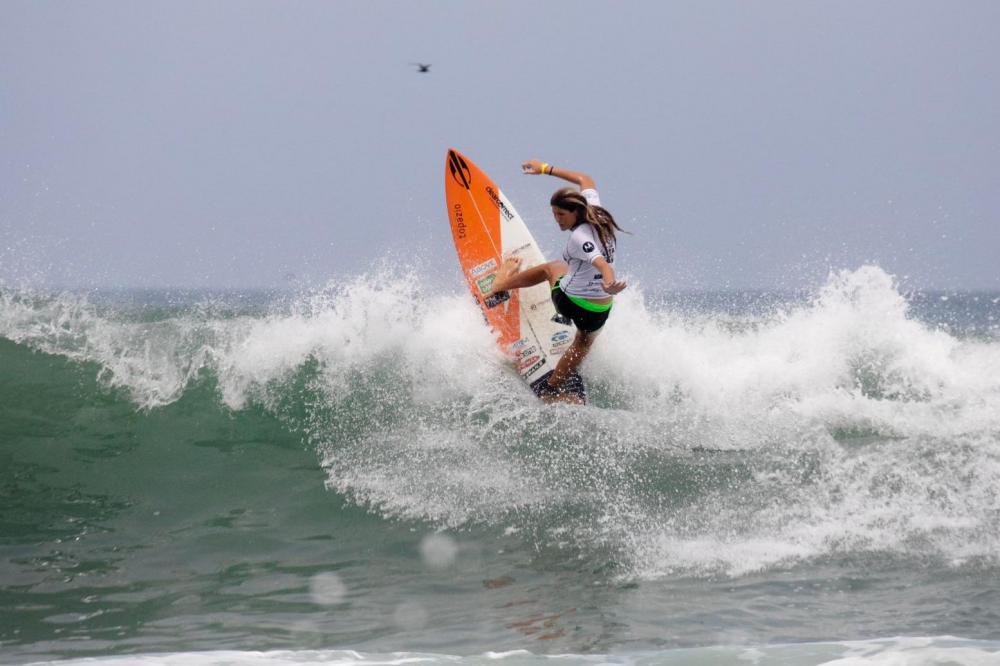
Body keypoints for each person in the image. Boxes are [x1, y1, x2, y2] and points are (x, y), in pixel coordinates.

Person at [488, 159, 626, 404]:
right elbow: (585, 179)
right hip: (601, 309)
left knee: (553, 267)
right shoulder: (596, 212)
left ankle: (500, 284)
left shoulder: (580, 237)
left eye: (561, 214)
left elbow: (601, 264)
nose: (557, 220)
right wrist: (545, 169)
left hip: (571, 303)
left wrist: (609, 281)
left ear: (576, 212)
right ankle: (552, 389)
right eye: (554, 214)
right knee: (582, 343)